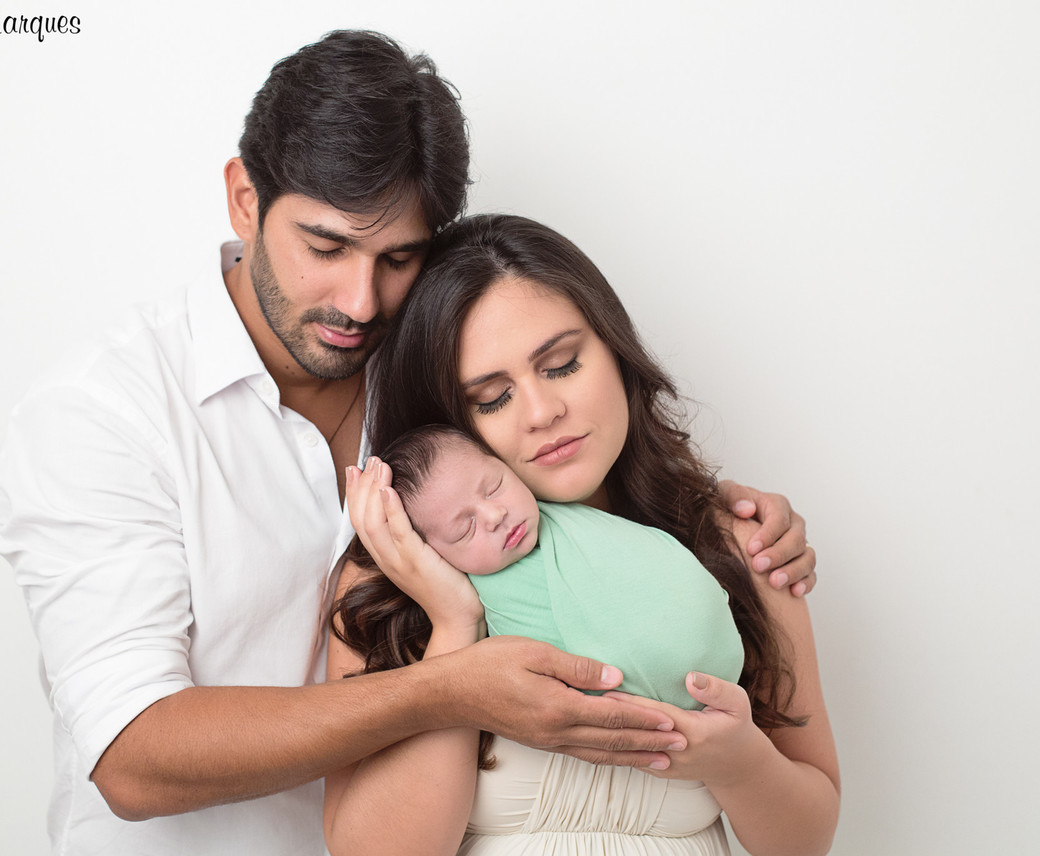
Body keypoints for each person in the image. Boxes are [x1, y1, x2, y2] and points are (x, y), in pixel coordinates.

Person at [0, 30, 818, 856]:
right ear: (244, 198)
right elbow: (132, 757)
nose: (359, 300)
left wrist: (709, 514)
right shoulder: (102, 415)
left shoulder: (437, 375)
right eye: (325, 247)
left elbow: (566, 461)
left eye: (398, 257)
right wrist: (447, 688)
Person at [329, 214, 840, 856]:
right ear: (447, 426)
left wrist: (740, 762)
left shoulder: (740, 546)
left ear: (615, 351)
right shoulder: (384, 587)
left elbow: (808, 840)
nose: (543, 413)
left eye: (563, 364)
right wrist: (455, 630)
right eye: (492, 398)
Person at [366, 422, 744, 710]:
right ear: (430, 555)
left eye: (495, 486)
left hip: (719, 652)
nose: (495, 515)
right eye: (464, 529)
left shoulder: (563, 511)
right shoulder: (483, 607)